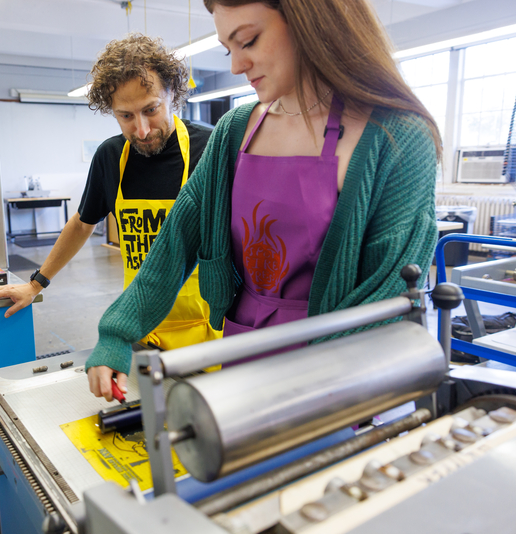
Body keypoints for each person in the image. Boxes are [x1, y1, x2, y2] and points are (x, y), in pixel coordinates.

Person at [85, 0, 443, 400]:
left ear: (312, 22)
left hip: (339, 369)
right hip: (242, 345)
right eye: (228, 49)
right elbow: (175, 242)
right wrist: (117, 331)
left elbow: (386, 290)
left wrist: (310, 388)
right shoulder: (236, 130)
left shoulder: (396, 136)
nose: (237, 65)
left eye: (249, 41)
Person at [0, 35, 222, 386]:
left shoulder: (211, 148)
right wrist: (35, 285)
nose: (141, 129)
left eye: (151, 109)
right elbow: (82, 223)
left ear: (173, 94)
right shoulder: (111, 158)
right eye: (125, 116)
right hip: (137, 328)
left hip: (206, 334)